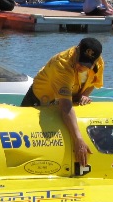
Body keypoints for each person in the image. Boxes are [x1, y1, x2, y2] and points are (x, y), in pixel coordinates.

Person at [20, 38, 104, 168]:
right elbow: (65, 106)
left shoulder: (98, 63)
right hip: (40, 98)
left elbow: (94, 82)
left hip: (70, 94)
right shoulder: (62, 64)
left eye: (87, 65)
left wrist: (83, 96)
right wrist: (78, 140)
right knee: (27, 136)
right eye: (80, 62)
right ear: (77, 49)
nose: (81, 67)